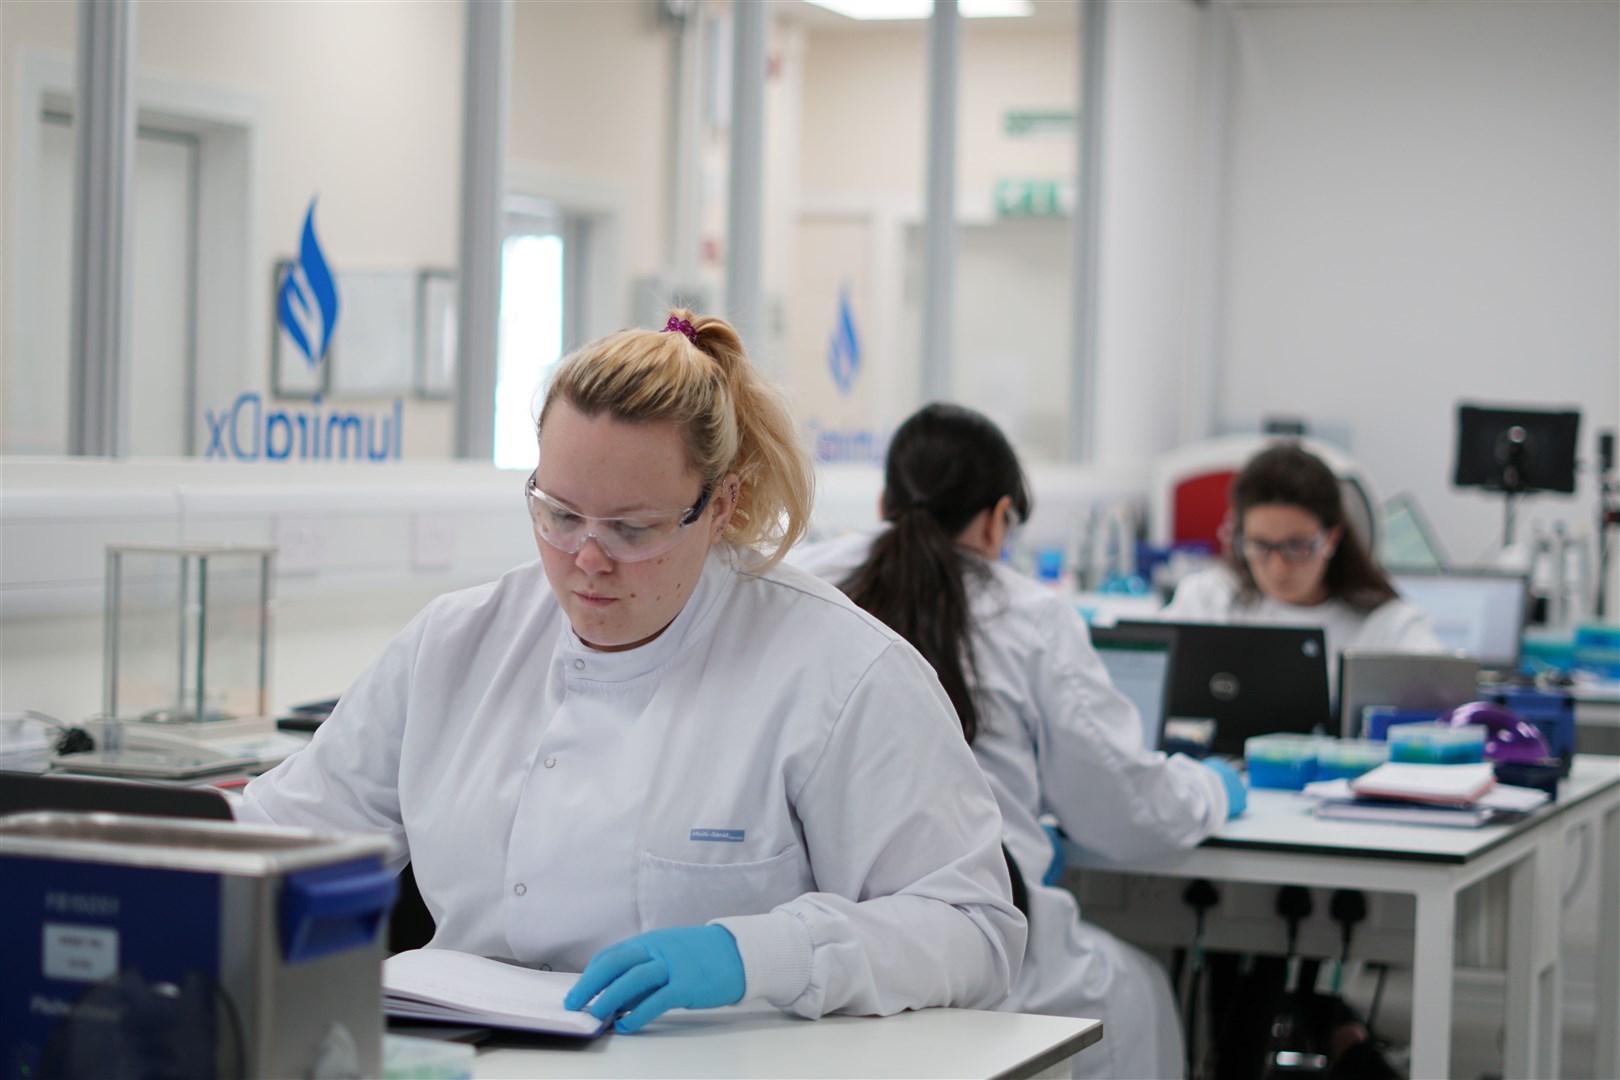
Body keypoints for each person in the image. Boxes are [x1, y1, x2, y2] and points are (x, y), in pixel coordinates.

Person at [237, 312, 1026, 1033]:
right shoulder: (457, 645)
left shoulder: (842, 672)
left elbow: (974, 929)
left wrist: (762, 955)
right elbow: (286, 830)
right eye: (558, 513)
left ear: (721, 505)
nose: (587, 559)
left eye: (633, 528)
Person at [790, 403, 1243, 1080]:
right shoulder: (1029, 613)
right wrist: (1212, 790)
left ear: (885, 499)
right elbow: (1125, 810)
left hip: (814, 936)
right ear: (999, 517)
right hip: (982, 953)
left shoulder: (802, 582)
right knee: (1139, 990)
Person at [1161, 442, 1443, 688]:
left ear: (1331, 539)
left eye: (1297, 547)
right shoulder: (1210, 601)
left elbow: (1445, 702)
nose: (1278, 568)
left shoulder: (1387, 625)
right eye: (1261, 545)